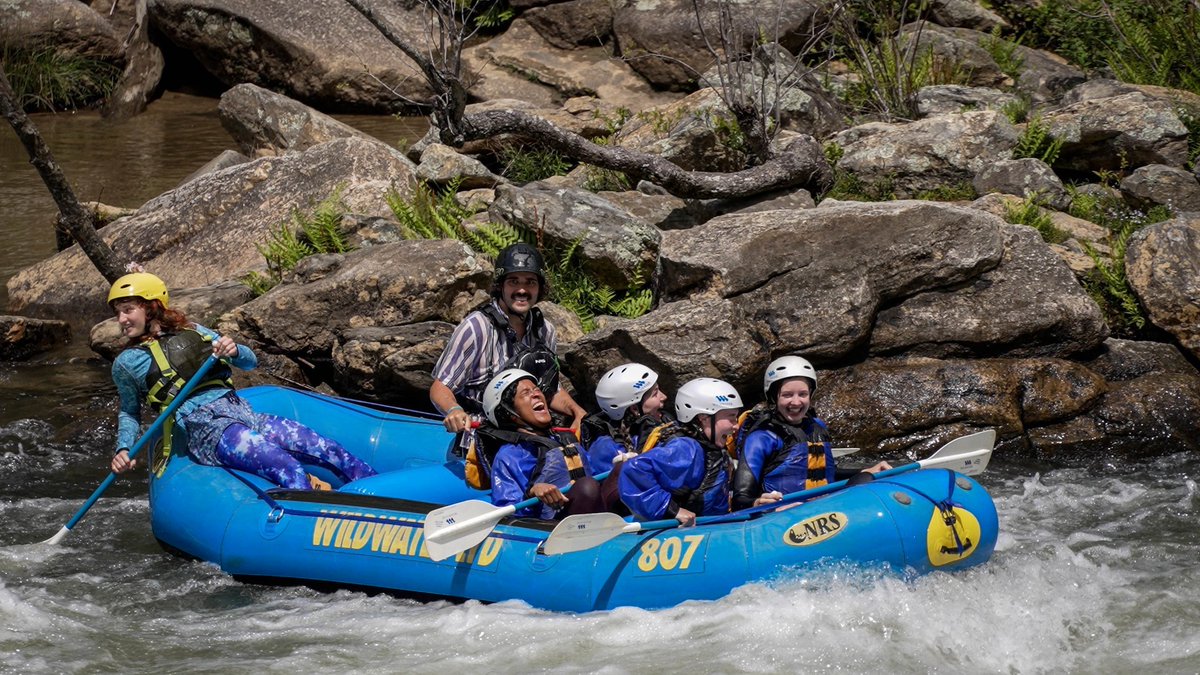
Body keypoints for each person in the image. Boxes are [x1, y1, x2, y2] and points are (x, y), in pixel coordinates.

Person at [106, 272, 376, 490]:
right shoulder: (127, 363)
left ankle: (383, 494)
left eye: (128, 310)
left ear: (152, 308)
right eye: (118, 313)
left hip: (244, 414)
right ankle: (316, 521)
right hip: (209, 431)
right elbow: (129, 411)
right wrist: (124, 448)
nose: (122, 320)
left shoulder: (193, 331)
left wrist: (233, 349)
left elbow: (249, 362)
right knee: (286, 466)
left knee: (328, 449)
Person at [430, 242, 587, 448]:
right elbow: (440, 387)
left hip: (528, 434)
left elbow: (550, 388)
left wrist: (578, 412)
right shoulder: (476, 327)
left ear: (540, 289)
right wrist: (453, 411)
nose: (522, 290)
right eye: (513, 281)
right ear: (500, 286)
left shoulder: (545, 330)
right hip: (481, 435)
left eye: (530, 282)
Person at [730, 355, 891, 511]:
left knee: (866, 479)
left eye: (803, 394)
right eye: (787, 395)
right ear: (773, 397)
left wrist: (865, 471)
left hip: (824, 510)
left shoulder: (817, 427)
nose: (796, 402)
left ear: (811, 395)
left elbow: (825, 473)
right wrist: (758, 503)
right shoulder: (762, 437)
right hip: (784, 517)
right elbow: (740, 499)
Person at [480, 368, 612, 520]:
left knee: (624, 469)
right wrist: (533, 491)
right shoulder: (510, 455)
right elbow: (508, 509)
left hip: (595, 511)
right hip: (554, 525)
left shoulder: (565, 439)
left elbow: (597, 476)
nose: (536, 394)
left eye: (536, 389)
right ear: (509, 413)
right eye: (525, 393)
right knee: (586, 488)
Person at [617, 377, 743, 526]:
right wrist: (672, 510)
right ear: (704, 418)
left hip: (712, 526)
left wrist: (752, 503)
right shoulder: (687, 449)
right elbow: (633, 470)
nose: (736, 426)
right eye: (731, 418)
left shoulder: (712, 448)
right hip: (679, 535)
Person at [583, 362, 671, 475]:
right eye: (655, 394)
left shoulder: (665, 419)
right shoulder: (606, 449)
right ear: (634, 408)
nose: (664, 397)